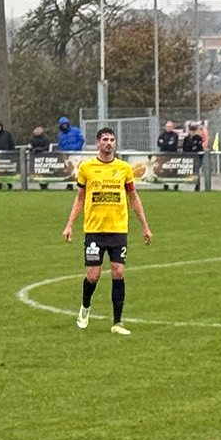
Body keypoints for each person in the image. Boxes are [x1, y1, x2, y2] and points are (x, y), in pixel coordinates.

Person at [62, 127, 153, 336]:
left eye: (112, 140)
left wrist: (145, 226)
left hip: (118, 229)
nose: (109, 143)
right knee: (93, 276)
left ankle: (117, 322)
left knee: (118, 272)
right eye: (105, 139)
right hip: (94, 230)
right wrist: (69, 225)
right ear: (97, 143)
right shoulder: (87, 168)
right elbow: (80, 198)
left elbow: (133, 197)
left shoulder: (124, 168)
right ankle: (85, 308)